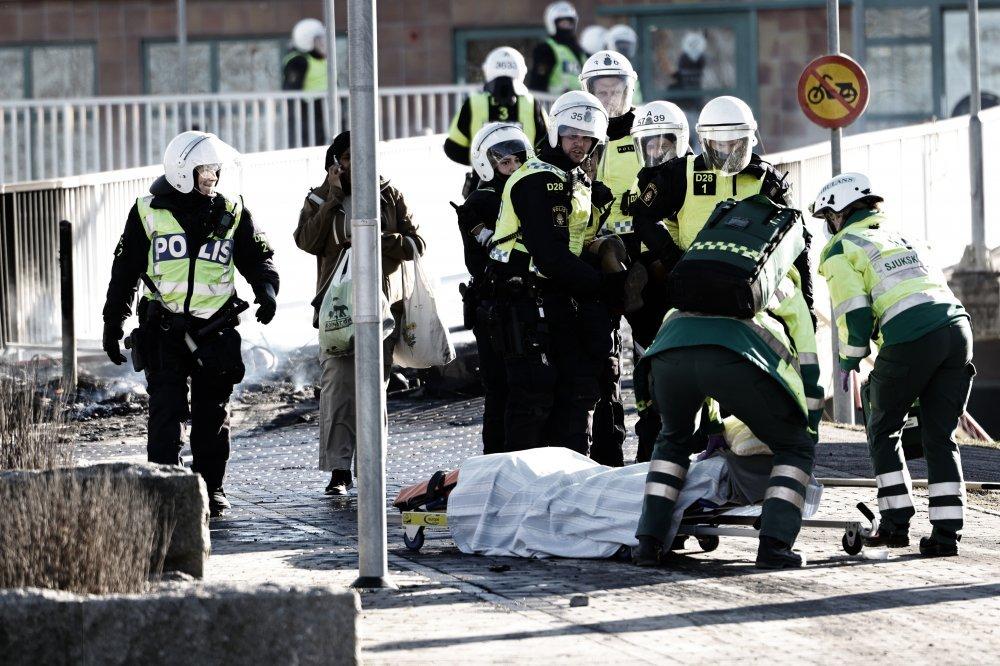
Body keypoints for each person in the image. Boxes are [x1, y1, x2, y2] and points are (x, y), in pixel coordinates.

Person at [102, 131, 279, 518]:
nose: (213, 178)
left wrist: (267, 291)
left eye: (215, 170)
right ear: (183, 171)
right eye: (206, 171)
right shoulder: (148, 211)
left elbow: (257, 257)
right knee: (166, 412)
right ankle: (165, 490)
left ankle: (210, 489)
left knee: (212, 415)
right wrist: (112, 323)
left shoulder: (231, 211)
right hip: (163, 330)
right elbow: (125, 272)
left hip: (215, 330)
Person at [631, 239, 821, 570]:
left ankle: (649, 542)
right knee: (795, 447)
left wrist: (715, 424)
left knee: (672, 441)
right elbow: (806, 355)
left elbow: (697, 368)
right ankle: (775, 544)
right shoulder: (782, 277)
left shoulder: (705, 265)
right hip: (734, 354)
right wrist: (811, 422)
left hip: (667, 350)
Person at [813, 172, 973, 557]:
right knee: (940, 434)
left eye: (827, 218)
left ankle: (895, 525)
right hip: (957, 330)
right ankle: (946, 535)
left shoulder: (841, 246)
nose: (828, 226)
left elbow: (854, 312)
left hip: (910, 337)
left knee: (884, 429)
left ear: (837, 213)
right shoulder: (903, 234)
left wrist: (849, 358)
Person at [484, 90, 623, 454]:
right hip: (524, 299)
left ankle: (571, 481)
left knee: (578, 390)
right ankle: (519, 488)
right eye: (571, 135)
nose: (579, 143)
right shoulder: (536, 180)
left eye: (586, 137)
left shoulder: (574, 178)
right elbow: (549, 255)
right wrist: (604, 286)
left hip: (559, 297)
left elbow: (576, 242)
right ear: (556, 132)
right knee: (533, 395)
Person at [293, 131, 425, 495]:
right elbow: (306, 240)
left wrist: (377, 239)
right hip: (337, 309)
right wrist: (333, 198)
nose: (356, 164)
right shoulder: (319, 197)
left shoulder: (390, 194)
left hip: (382, 307)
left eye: (363, 156)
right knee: (337, 387)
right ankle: (338, 471)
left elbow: (417, 244)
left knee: (373, 388)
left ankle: (371, 466)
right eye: (349, 158)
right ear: (335, 162)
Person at [629, 95, 817, 320]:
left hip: (750, 288)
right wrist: (674, 259)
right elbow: (642, 215)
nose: (727, 152)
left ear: (749, 140)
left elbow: (799, 240)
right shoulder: (682, 173)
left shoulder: (767, 180)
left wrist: (808, 305)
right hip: (693, 284)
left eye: (734, 144)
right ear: (705, 141)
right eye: (719, 144)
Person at [452, 123, 534, 454]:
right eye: (504, 163)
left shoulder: (531, 190)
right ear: (488, 165)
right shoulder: (481, 203)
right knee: (500, 390)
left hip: (528, 303)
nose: (512, 168)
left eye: (518, 161)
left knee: (528, 390)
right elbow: (480, 260)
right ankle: (495, 462)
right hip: (496, 309)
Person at [577, 49, 641, 467]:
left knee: (652, 355)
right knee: (604, 360)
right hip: (596, 257)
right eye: (600, 93)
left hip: (642, 252)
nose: (608, 101)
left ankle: (656, 448)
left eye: (615, 92)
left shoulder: (646, 133)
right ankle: (607, 451)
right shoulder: (581, 139)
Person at [626, 100, 692, 463]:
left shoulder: (683, 174)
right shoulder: (652, 178)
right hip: (666, 281)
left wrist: (670, 259)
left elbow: (645, 219)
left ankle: (656, 447)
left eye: (662, 144)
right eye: (648, 145)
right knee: (649, 362)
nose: (655, 151)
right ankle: (652, 444)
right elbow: (643, 218)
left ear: (678, 140)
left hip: (681, 278)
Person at [445, 47, 547, 196]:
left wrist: (485, 161)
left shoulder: (473, 103)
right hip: (526, 187)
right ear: (521, 71)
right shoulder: (532, 104)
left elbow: (453, 148)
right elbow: (547, 145)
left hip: (481, 189)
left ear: (488, 70)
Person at [283, 18, 328, 146]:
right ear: (306, 41)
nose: (323, 43)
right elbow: (291, 91)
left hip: (323, 112)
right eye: (318, 40)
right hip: (308, 114)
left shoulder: (322, 59)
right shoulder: (298, 61)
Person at [528, 2, 586, 94]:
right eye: (562, 23)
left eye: (569, 23)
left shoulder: (581, 52)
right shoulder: (545, 50)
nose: (567, 27)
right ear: (552, 24)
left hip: (581, 104)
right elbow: (537, 84)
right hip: (555, 105)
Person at [603, 24, 643, 103]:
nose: (624, 49)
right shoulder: (603, 70)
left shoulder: (631, 70)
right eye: (621, 45)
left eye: (627, 46)